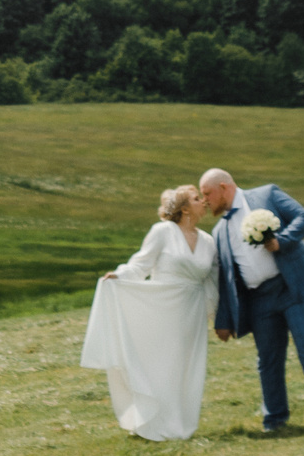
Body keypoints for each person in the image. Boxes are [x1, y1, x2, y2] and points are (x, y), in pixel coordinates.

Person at [202, 167, 304, 434]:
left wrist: (283, 240)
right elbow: (226, 280)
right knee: (268, 359)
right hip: (259, 300)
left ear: (224, 187)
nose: (205, 200)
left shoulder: (267, 195)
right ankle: (274, 419)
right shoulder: (219, 231)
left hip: (294, 285)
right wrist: (223, 320)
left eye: (207, 193)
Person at [78, 183, 217, 440]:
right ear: (185, 209)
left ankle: (180, 424)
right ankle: (152, 423)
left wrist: (217, 316)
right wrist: (120, 275)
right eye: (197, 198)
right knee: (161, 365)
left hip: (192, 314)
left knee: (186, 368)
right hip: (162, 308)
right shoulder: (163, 231)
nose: (204, 202)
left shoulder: (208, 241)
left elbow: (211, 281)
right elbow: (141, 264)